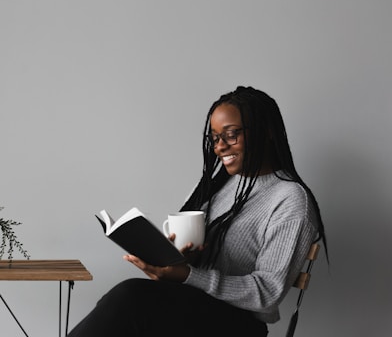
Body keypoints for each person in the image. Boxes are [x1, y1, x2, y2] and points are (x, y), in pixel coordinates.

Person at [68, 86, 328, 336]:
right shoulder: (217, 186)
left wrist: (190, 275)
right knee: (121, 305)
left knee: (130, 299)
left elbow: (268, 293)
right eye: (214, 138)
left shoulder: (290, 200)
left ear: (267, 131)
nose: (219, 147)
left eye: (231, 134)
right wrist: (178, 263)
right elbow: (200, 266)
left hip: (237, 325)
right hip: (195, 308)